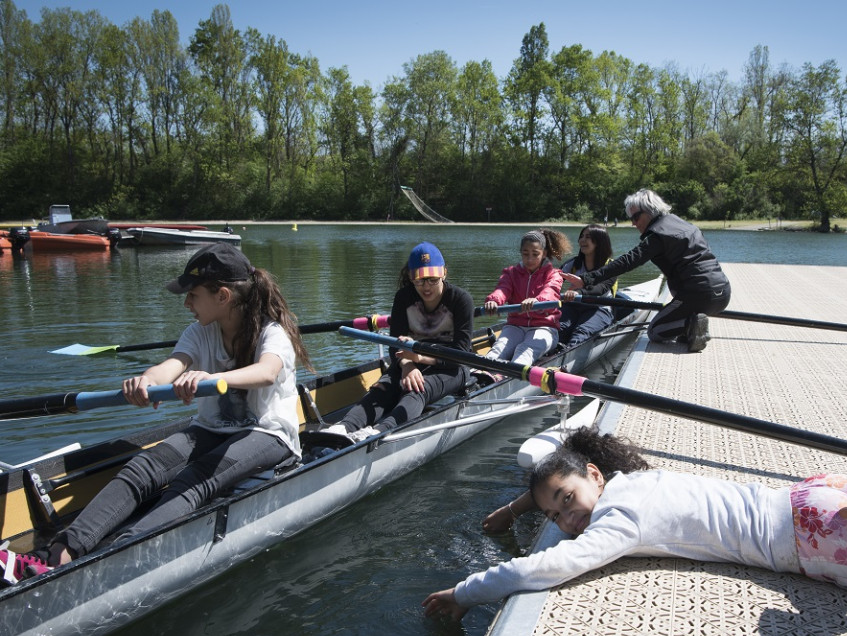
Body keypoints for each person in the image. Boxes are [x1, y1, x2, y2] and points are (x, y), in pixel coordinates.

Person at [425, 350, 847, 620]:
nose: (567, 519)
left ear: (595, 479)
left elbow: (544, 570)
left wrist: (464, 593)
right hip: (816, 497)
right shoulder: (634, 480)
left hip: (819, 539)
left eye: (567, 502)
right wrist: (516, 507)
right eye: (555, 514)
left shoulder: (618, 521)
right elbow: (561, 481)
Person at [23, 243, 313, 574]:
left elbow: (266, 373)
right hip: (211, 430)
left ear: (222, 297)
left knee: (196, 477)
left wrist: (214, 377)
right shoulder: (199, 332)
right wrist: (144, 381)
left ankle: (115, 558)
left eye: (193, 294)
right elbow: (171, 366)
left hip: (269, 434)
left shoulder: (272, 332)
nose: (186, 302)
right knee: (142, 467)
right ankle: (59, 553)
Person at [324, 242, 475, 446]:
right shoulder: (403, 297)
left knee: (417, 389)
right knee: (383, 388)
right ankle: (344, 427)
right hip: (408, 358)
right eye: (419, 280)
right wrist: (408, 365)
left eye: (432, 279)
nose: (426, 286)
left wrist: (419, 358)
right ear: (411, 278)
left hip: (452, 366)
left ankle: (379, 432)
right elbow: (395, 343)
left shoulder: (461, 299)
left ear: (444, 274)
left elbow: (460, 353)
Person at [562, 189, 731, 352]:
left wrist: (586, 279)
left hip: (697, 294)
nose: (633, 223)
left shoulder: (659, 234)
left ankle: (690, 325)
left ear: (650, 211)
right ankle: (691, 329)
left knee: (655, 331)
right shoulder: (685, 225)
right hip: (722, 292)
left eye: (636, 217)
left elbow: (627, 261)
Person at [483, 229, 569, 366]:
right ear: (520, 253)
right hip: (515, 325)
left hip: (544, 327)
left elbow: (550, 291)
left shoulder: (554, 274)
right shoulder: (510, 273)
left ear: (544, 253)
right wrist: (494, 300)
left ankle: (509, 379)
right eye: (525, 254)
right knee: (498, 349)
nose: (529, 259)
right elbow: (502, 289)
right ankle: (481, 375)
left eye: (535, 254)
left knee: (524, 350)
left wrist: (537, 300)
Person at [558, 225, 617, 348]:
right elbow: (553, 281)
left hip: (599, 308)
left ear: (600, 242)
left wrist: (579, 292)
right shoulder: (573, 264)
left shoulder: (611, 266)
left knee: (581, 332)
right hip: (573, 306)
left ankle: (565, 360)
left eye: (588, 237)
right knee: (558, 329)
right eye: (582, 236)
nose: (582, 240)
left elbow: (600, 288)